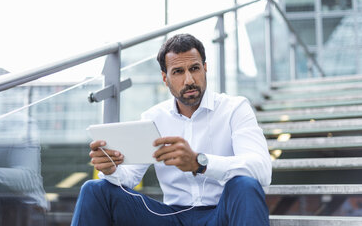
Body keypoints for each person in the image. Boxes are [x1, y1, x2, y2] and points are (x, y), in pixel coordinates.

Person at [71, 33, 272, 225]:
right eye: (178, 72)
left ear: (205, 68)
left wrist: (199, 162)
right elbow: (129, 177)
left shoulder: (235, 108)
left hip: (222, 213)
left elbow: (262, 170)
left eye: (194, 68)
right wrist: (111, 169)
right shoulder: (153, 118)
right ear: (165, 78)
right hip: (169, 217)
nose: (189, 80)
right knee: (94, 189)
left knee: (245, 185)